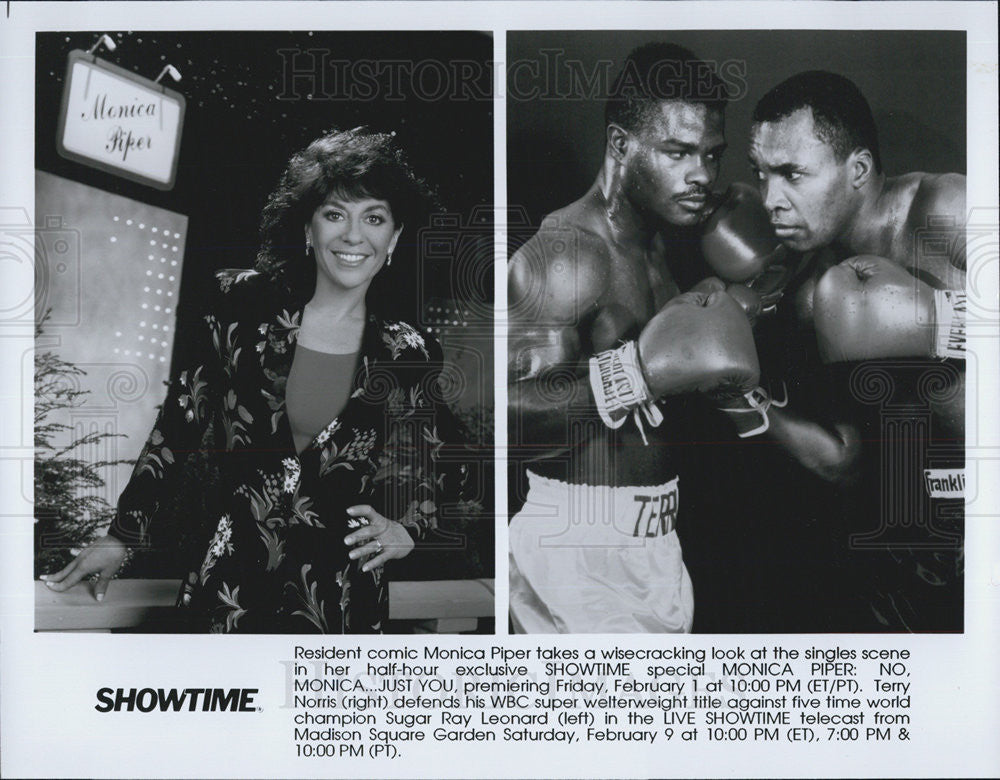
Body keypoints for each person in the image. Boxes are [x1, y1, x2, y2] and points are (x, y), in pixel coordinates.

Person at [42, 128, 468, 633]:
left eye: (373, 218)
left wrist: (408, 530)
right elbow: (178, 426)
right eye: (335, 214)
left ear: (393, 237)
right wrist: (120, 536)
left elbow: (443, 462)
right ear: (309, 229)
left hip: (341, 600)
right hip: (230, 589)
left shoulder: (408, 350)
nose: (354, 236)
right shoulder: (239, 304)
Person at [507, 43, 764, 633]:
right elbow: (500, 421)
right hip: (580, 551)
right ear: (621, 145)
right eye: (677, 153)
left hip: (658, 541)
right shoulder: (568, 254)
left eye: (711, 154)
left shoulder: (670, 241)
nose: (700, 173)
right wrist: (636, 373)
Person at [745, 71, 966, 631]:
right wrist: (741, 403)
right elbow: (845, 460)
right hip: (911, 545)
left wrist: (940, 324)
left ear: (858, 170)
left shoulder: (945, 210)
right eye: (761, 175)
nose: (771, 199)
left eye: (792, 174)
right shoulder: (809, 295)